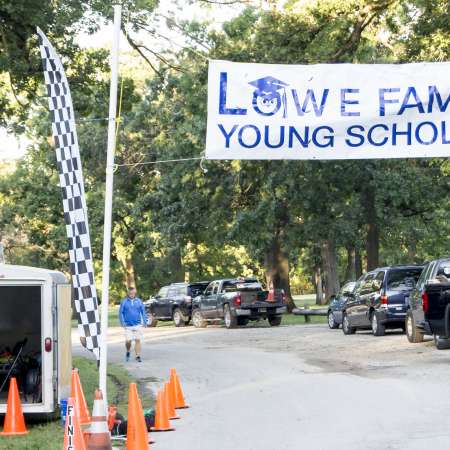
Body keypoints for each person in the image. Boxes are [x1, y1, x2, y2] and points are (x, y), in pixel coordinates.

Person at [119, 287, 148, 362]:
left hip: (137, 324)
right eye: (130, 293)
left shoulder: (139, 301)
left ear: (135, 293)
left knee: (138, 340)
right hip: (128, 325)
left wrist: (145, 321)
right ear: (128, 293)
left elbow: (143, 311)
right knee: (128, 341)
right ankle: (128, 351)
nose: (132, 294)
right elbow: (120, 313)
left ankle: (137, 355)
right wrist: (122, 322)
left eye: (133, 293)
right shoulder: (124, 301)